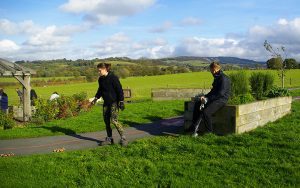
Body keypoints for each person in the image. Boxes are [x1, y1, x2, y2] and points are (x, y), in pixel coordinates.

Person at [92, 62, 127, 146]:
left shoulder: (113, 78)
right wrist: (95, 98)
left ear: (105, 69)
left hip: (113, 103)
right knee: (106, 122)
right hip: (106, 103)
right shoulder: (100, 79)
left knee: (114, 121)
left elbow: (119, 90)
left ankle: (123, 138)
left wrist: (121, 101)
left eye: (99, 70)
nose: (98, 72)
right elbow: (100, 90)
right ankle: (109, 139)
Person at [192, 61, 231, 135]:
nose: (210, 72)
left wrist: (208, 99)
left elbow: (221, 93)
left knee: (206, 113)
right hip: (215, 98)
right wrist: (205, 96)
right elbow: (213, 91)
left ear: (214, 69)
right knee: (197, 104)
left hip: (221, 100)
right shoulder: (217, 77)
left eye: (211, 70)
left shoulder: (224, 78)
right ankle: (193, 127)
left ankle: (209, 132)